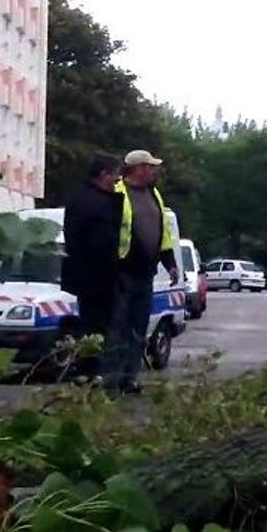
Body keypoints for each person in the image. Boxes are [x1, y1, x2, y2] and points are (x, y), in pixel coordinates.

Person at [105, 149, 180, 394]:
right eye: (150, 167)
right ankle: (112, 379)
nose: (154, 171)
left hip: (146, 272)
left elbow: (163, 233)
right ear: (138, 169)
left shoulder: (153, 194)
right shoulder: (117, 192)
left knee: (138, 327)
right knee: (118, 326)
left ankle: (130, 377)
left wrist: (170, 263)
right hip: (122, 271)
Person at [61, 153, 124, 377]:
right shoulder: (94, 202)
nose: (118, 181)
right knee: (97, 326)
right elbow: (101, 241)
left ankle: (91, 372)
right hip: (97, 277)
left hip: (92, 276)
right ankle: (91, 372)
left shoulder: (84, 198)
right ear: (103, 174)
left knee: (96, 325)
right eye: (115, 176)